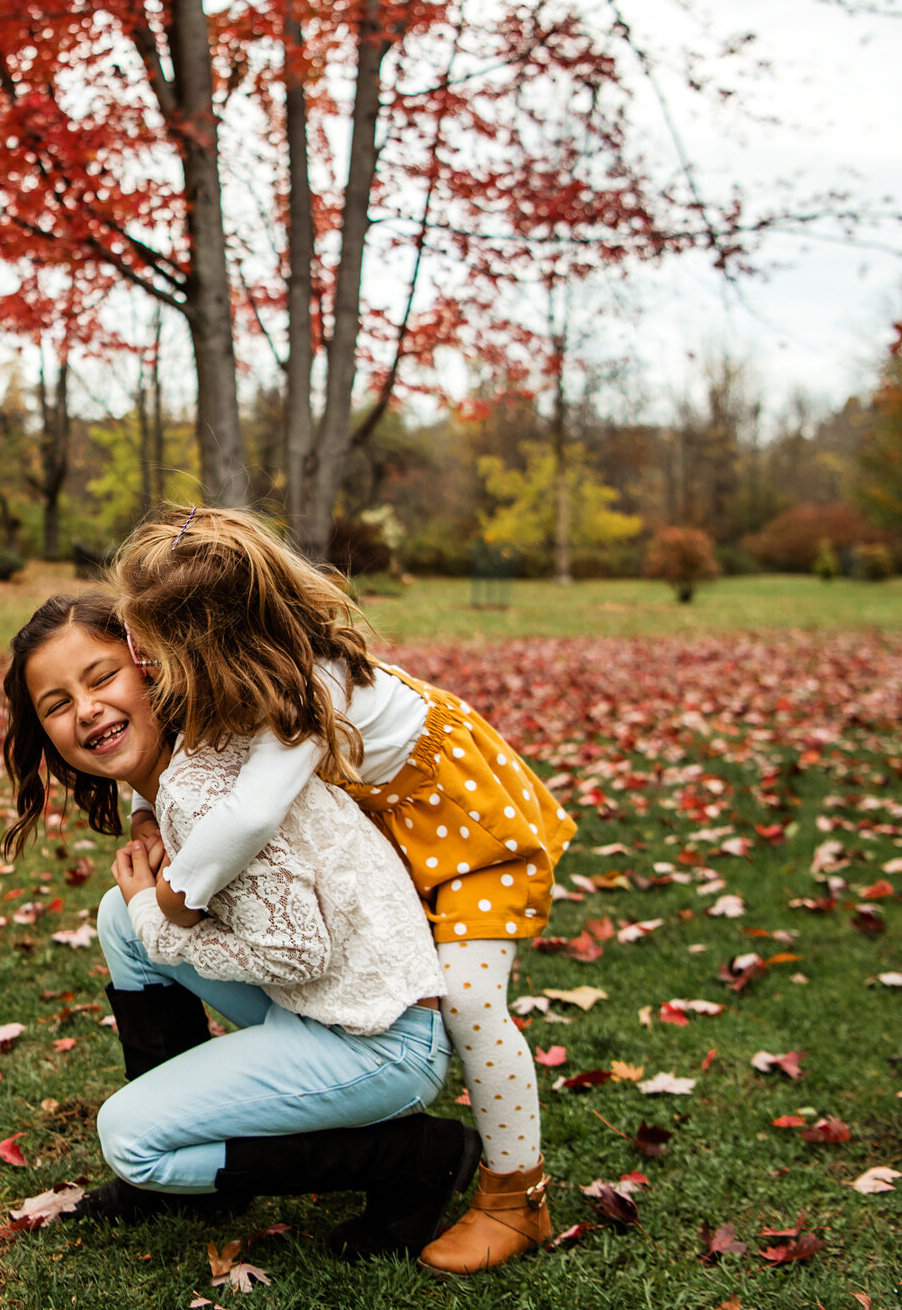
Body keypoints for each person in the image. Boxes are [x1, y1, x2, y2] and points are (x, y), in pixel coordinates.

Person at [111, 506, 576, 1275]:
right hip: (394, 828)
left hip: (469, 838)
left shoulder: (309, 688)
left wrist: (181, 895)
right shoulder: (257, 666)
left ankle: (514, 1196)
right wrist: (142, 810)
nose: (140, 661)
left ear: (205, 642)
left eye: (146, 646)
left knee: (468, 1000)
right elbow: (186, 730)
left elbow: (254, 810)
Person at [1, 591, 480, 1260]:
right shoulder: (183, 767)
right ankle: (193, 1172)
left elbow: (296, 952)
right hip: (336, 1004)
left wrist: (156, 917)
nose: (85, 708)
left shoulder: (204, 794)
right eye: (56, 703)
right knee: (120, 915)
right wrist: (144, 887)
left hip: (379, 1042)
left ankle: (411, 1156)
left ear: (152, 668)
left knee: (130, 1136)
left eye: (102, 676)